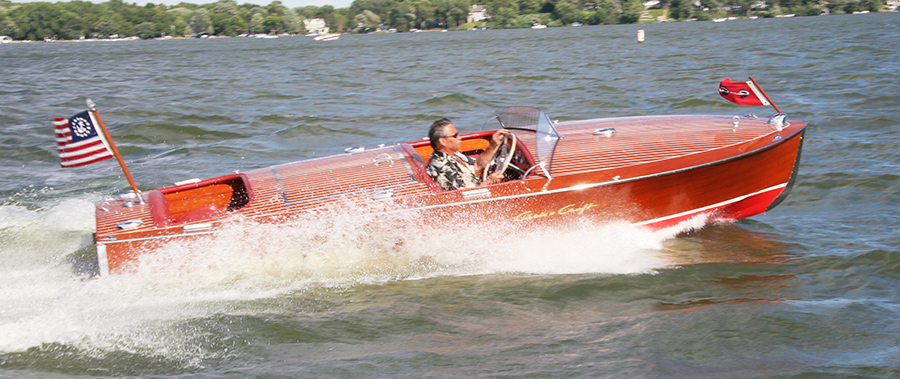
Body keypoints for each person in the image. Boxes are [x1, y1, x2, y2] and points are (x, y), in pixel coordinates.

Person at [425, 118, 510, 191]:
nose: (460, 138)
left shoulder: (453, 155)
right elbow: (461, 197)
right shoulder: (443, 166)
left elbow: (477, 165)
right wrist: (489, 182)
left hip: (479, 191)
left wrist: (494, 144)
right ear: (443, 141)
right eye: (455, 136)